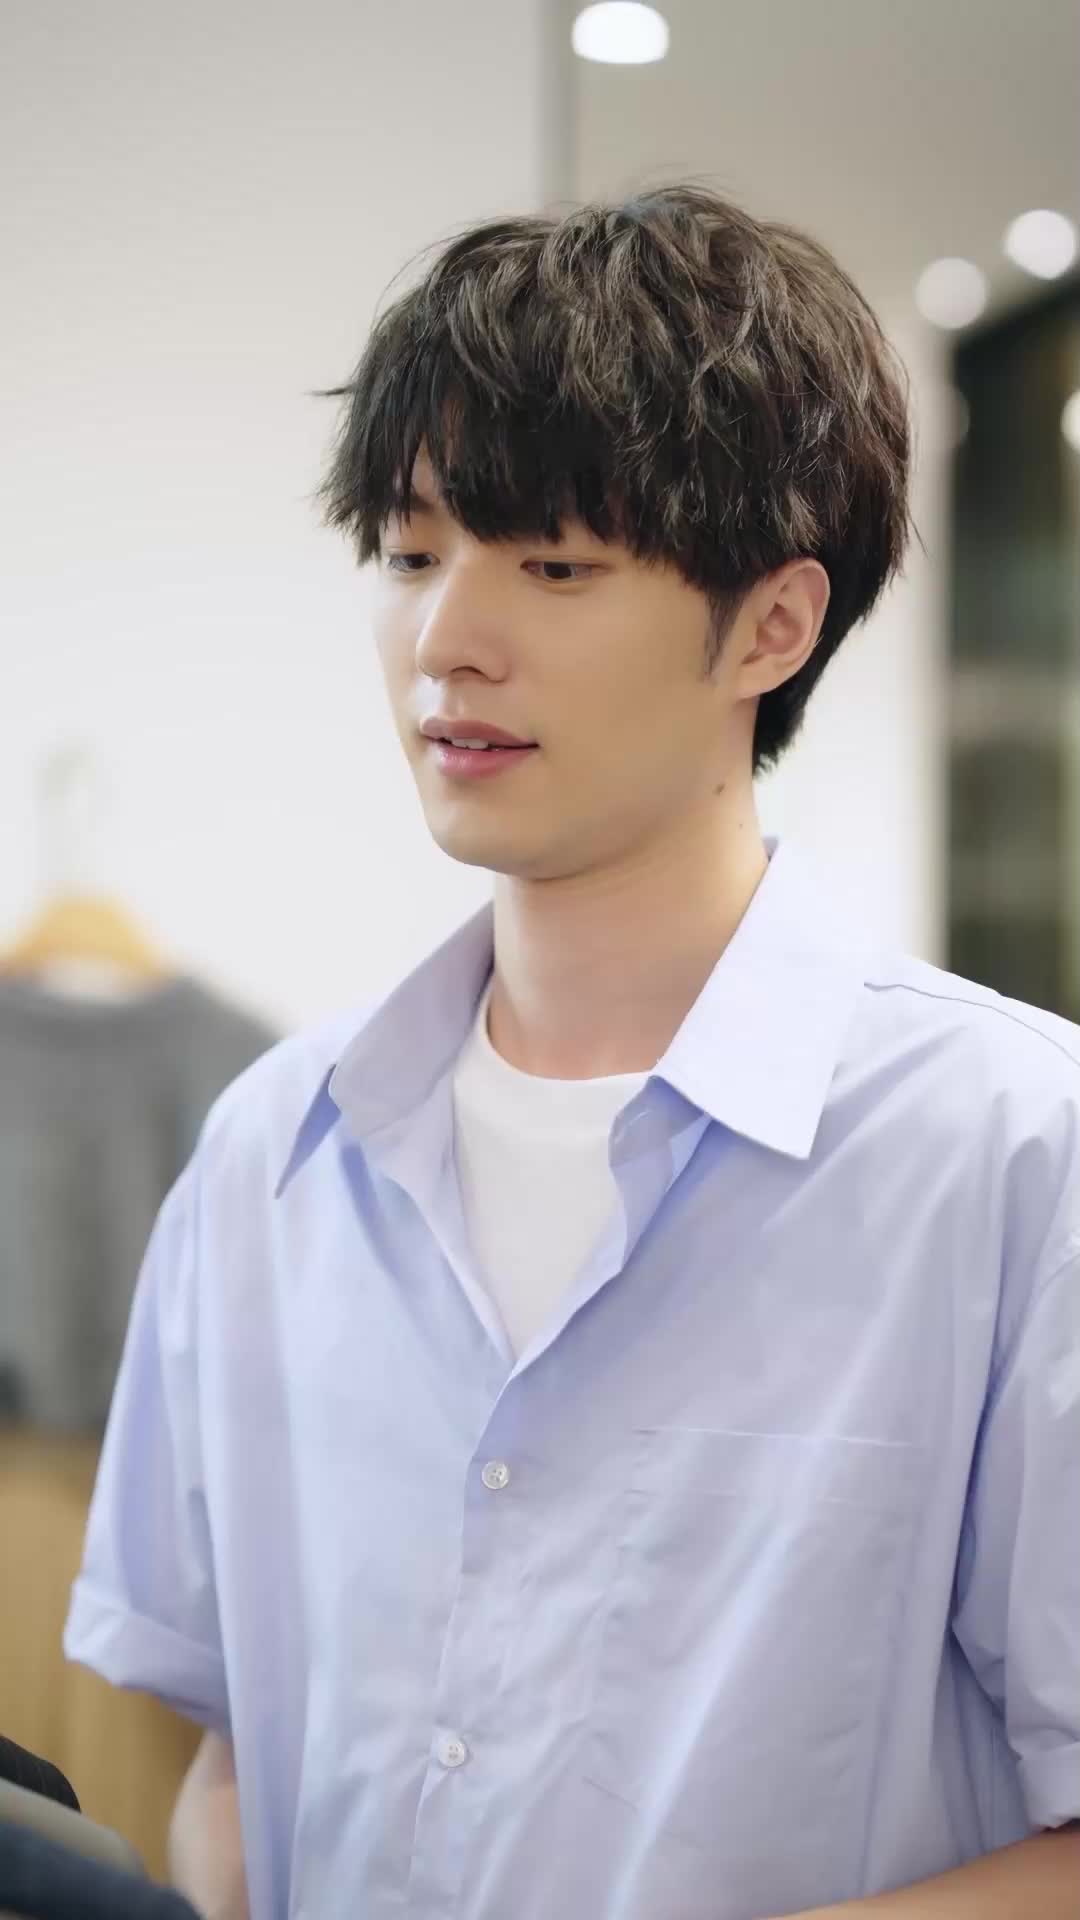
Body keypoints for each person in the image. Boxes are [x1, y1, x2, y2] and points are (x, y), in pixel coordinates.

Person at [64, 186, 1080, 1920]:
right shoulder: (271, 1156)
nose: (446, 639)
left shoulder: (1013, 1157)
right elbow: (232, 1761)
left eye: (552, 565)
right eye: (409, 554)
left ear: (772, 626)